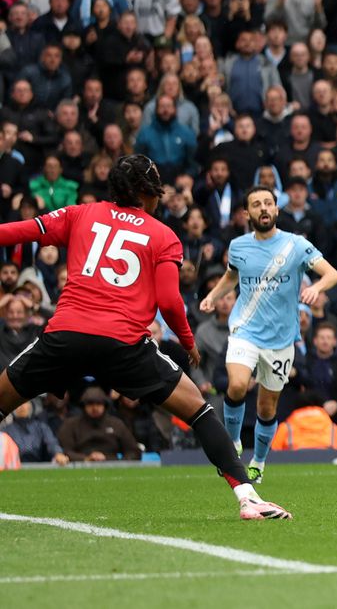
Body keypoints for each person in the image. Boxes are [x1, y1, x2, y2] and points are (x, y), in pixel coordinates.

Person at [0, 155, 290, 520]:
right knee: (199, 410)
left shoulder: (79, 214)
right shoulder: (162, 235)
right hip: (122, 344)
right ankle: (248, 498)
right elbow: (169, 302)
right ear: (144, 193)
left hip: (66, 335)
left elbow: (15, 232)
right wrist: (187, 341)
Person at [199, 185, 337, 484]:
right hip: (245, 329)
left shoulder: (296, 245)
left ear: (277, 210)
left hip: (280, 339)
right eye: (256, 204)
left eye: (268, 203)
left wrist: (315, 287)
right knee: (237, 385)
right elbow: (231, 276)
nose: (263, 208)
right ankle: (234, 443)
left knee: (267, 406)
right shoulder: (238, 246)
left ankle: (259, 462)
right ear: (246, 213)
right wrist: (213, 296)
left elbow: (332, 274)